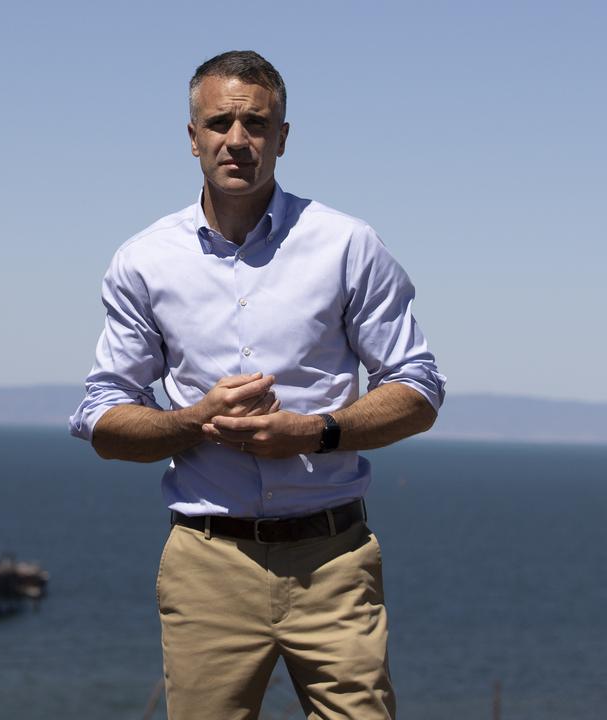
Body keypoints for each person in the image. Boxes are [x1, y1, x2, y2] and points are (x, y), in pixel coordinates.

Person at [68, 50, 444, 719]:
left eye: (256, 124)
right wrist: (194, 420)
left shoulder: (347, 246)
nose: (237, 140)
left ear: (283, 137)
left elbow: (417, 390)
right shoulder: (144, 262)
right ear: (192, 137)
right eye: (219, 123)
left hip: (333, 560)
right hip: (208, 564)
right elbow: (102, 417)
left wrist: (315, 431)